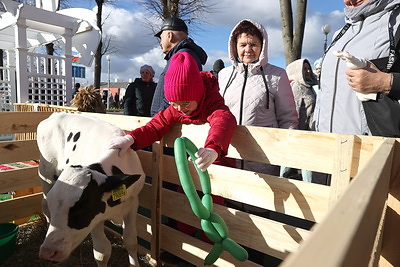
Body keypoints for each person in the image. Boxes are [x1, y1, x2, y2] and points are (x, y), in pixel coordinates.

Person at [313, 0, 400, 184]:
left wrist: (386, 81)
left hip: (371, 158)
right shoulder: (341, 33)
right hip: (325, 157)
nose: (349, 1)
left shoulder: (397, 20)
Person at [218, 19, 298, 175]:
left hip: (263, 157)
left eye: (253, 44)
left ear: (262, 46)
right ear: (235, 47)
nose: (248, 49)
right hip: (229, 154)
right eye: (242, 45)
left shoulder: (277, 75)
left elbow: (288, 119)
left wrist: (283, 153)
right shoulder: (224, 75)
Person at [150, 17, 208, 116]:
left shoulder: (183, 56)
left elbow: (178, 96)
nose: (160, 42)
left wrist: (159, 119)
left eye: (161, 37)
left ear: (169, 35)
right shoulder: (184, 55)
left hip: (167, 125)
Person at [280, 59, 318, 182]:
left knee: (304, 163)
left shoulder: (309, 86)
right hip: (299, 132)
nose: (307, 71)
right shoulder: (296, 87)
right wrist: (293, 131)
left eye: (308, 68)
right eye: (304, 68)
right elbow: (293, 110)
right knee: (289, 162)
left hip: (309, 132)